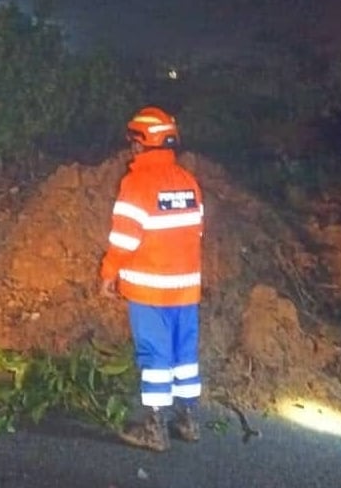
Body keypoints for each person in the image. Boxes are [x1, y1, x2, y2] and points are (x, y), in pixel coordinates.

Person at [98, 106, 204, 452]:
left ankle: (154, 429)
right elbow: (197, 231)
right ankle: (188, 421)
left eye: (133, 141)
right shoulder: (189, 182)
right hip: (186, 288)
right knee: (184, 353)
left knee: (155, 355)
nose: (131, 147)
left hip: (150, 290)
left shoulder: (137, 183)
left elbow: (125, 240)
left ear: (141, 143)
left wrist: (108, 273)